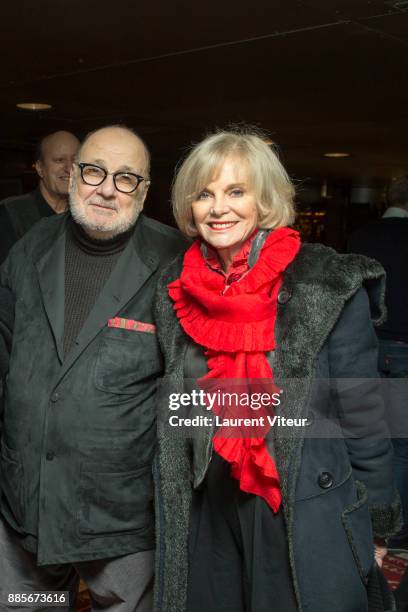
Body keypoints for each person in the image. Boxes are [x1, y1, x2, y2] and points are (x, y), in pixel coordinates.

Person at [153, 127, 402, 612]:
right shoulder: (175, 286)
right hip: (209, 504)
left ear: (265, 199)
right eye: (204, 194)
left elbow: (364, 414)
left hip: (301, 504)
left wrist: (373, 522)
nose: (218, 208)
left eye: (236, 192)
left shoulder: (325, 282)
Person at [0, 125, 186, 611]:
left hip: (121, 516)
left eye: (126, 178)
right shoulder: (30, 247)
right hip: (23, 501)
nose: (106, 188)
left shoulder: (175, 265)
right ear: (73, 175)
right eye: (94, 171)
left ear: (144, 193)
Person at [348, 176, 408, 549]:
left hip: (364, 346)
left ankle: (365, 523)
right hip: (404, 348)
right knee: (401, 444)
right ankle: (392, 530)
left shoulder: (360, 236)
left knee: (366, 436)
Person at [0, 130, 80, 263]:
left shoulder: (86, 215)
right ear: (40, 168)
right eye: (59, 160)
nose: (69, 168)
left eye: (76, 160)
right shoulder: (10, 214)